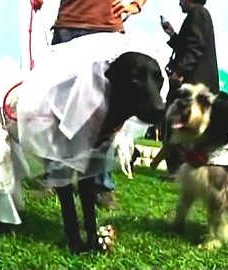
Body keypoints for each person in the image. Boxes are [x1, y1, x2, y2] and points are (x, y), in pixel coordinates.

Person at [29, 0, 148, 254]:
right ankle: (58, 176)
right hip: (68, 26)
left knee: (105, 117)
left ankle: (100, 185)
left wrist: (137, 3)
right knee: (58, 115)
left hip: (106, 31)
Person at [153, 0, 219, 177]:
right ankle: (181, 168)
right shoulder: (199, 15)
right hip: (198, 82)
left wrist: (180, 71)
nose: (179, 2)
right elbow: (188, 45)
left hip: (193, 82)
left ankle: (177, 168)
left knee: (181, 123)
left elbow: (195, 46)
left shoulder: (197, 13)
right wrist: (173, 34)